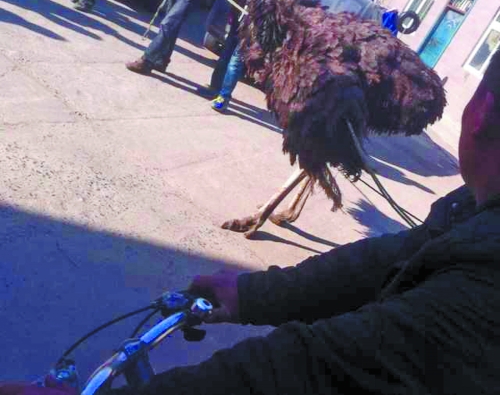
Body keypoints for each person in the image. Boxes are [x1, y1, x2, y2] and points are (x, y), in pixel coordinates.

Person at [6, 50, 499, 395]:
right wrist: (252, 294)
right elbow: (393, 256)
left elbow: (325, 369)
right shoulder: (473, 211)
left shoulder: (483, 278)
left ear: (481, 112)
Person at [202, 0, 295, 113]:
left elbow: (280, 6)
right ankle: (213, 88)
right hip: (239, 20)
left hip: (252, 28)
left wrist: (264, 7)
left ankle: (224, 97)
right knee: (224, 57)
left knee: (235, 62)